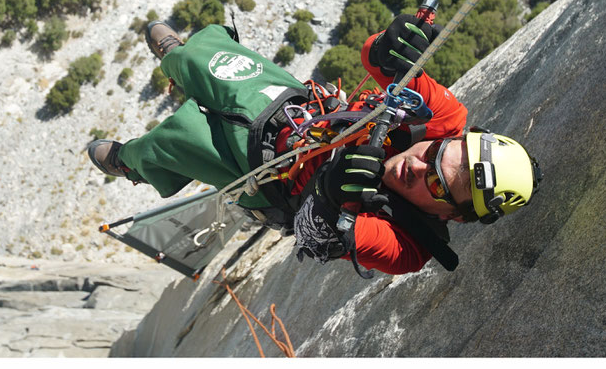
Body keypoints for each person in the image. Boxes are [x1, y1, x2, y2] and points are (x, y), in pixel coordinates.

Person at [88, 16, 542, 275]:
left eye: (439, 187)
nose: (419, 169)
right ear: (451, 142)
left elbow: (312, 237)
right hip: (299, 113)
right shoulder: (444, 122)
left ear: (451, 216)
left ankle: (130, 164)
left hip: (262, 175)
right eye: (436, 157)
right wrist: (390, 46)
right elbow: (374, 58)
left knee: (175, 139)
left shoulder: (407, 247)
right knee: (209, 58)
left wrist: (329, 191)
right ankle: (175, 54)